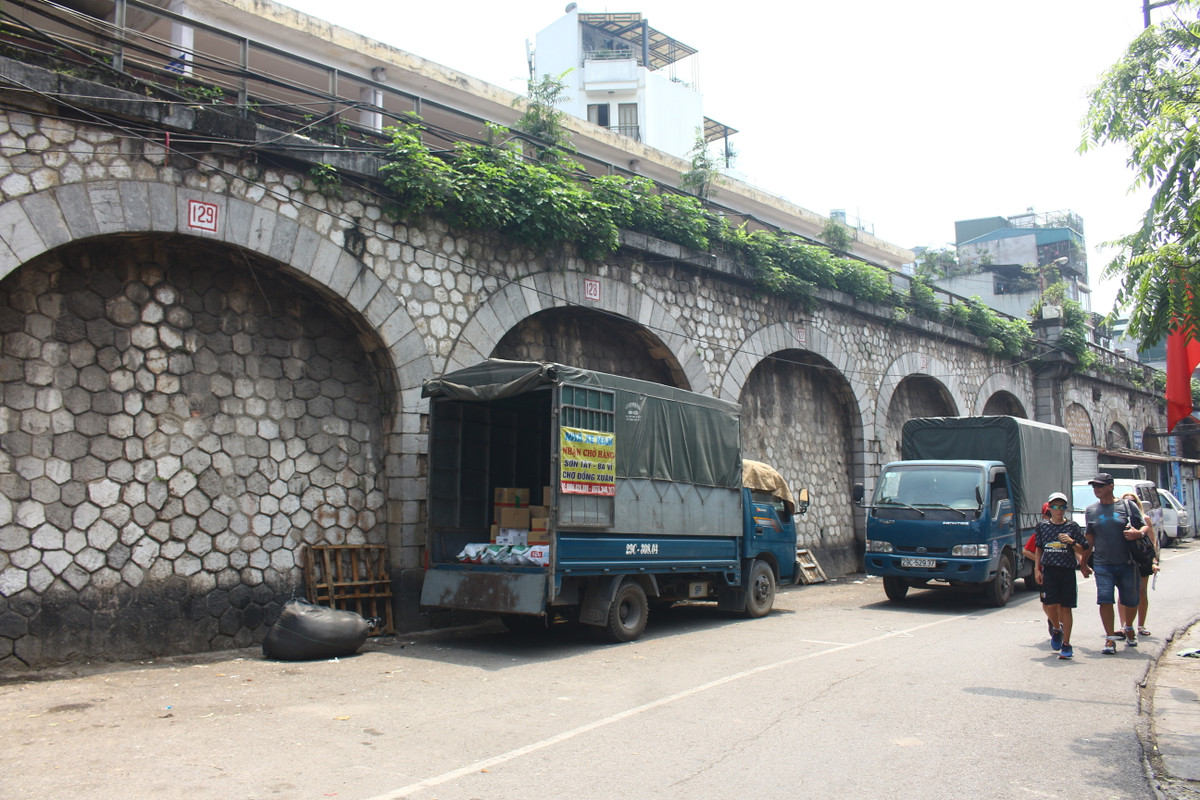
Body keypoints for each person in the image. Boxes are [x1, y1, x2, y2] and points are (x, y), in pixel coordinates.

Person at [1084, 473, 1148, 654]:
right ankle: (1110, 638)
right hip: (1103, 564)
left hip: (1127, 562)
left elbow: (1144, 527)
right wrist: (1083, 562)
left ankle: (1128, 627)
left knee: (1131, 601)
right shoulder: (1091, 511)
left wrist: (1138, 533)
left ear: (1111, 486)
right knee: (1104, 600)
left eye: (1100, 486)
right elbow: (1090, 539)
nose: (1097, 490)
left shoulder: (1127, 506)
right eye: (1094, 487)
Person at [1034, 491, 1090, 659]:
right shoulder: (1043, 527)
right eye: (1056, 507)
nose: (1059, 510)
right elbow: (1038, 548)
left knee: (1066, 607)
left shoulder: (1071, 527)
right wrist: (1037, 569)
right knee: (1049, 604)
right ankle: (1056, 628)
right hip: (1049, 570)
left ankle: (1066, 643)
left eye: (1062, 507)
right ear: (1049, 508)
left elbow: (1084, 548)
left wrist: (1071, 542)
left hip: (1066, 570)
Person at [1121, 492, 1161, 637]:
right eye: (1126, 502)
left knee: (1141, 592)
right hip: (1125, 560)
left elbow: (1152, 543)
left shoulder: (1145, 519)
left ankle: (1141, 625)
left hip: (1142, 559)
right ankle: (1124, 625)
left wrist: (1154, 562)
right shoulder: (1120, 520)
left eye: (1133, 502)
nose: (1130, 505)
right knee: (1123, 594)